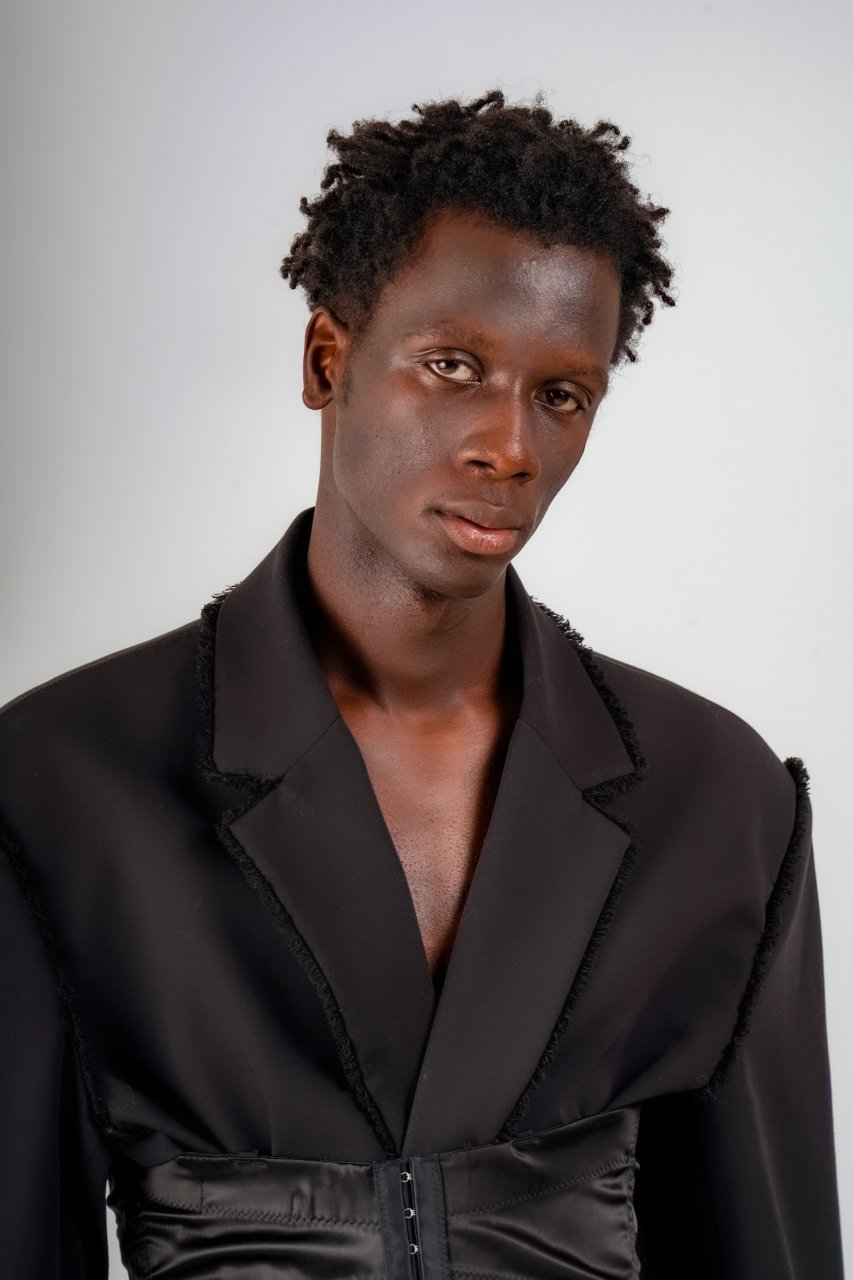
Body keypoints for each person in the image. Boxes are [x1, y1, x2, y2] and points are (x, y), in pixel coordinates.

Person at [0, 89, 843, 1279]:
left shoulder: (713, 798)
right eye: (453, 365)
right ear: (326, 358)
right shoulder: (63, 781)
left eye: (562, 395)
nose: (511, 446)